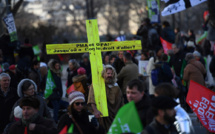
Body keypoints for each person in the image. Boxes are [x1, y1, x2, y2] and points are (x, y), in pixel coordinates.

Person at [88, 65, 124, 133]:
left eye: (111, 74)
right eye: (108, 73)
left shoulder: (116, 87)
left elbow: (121, 101)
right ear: (104, 74)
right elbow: (91, 98)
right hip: (101, 117)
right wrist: (95, 110)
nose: (110, 75)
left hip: (114, 117)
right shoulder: (96, 85)